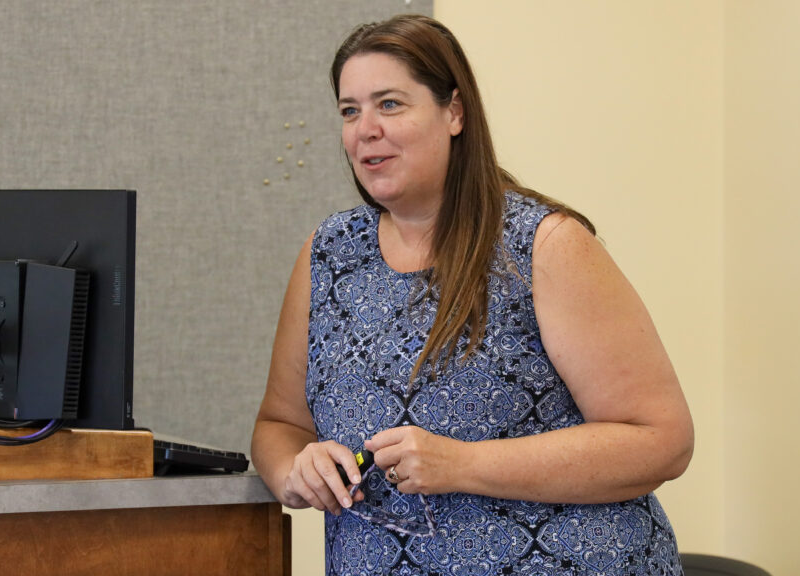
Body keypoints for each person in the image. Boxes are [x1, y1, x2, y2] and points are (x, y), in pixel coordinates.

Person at [252, 14, 694, 576]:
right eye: (349, 110)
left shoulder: (543, 245)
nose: (365, 129)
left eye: (389, 104)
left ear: (454, 112)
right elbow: (278, 425)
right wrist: (295, 470)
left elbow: (661, 439)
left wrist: (464, 464)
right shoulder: (328, 254)